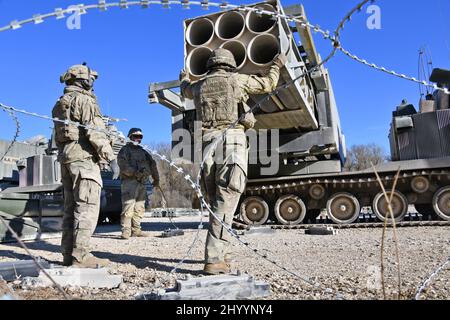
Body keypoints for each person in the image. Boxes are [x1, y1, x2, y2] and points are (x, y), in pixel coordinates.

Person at [180, 48, 287, 275]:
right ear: (229, 65)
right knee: (227, 198)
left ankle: (223, 254)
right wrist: (277, 64)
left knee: (215, 202)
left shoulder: (198, 87)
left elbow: (186, 90)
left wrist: (184, 79)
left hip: (205, 145)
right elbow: (268, 84)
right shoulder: (237, 81)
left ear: (210, 65)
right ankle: (214, 258)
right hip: (231, 143)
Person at [52, 63, 115, 268]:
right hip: (84, 160)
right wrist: (111, 157)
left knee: (70, 209)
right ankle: (81, 257)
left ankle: (68, 255)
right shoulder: (85, 100)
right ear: (83, 80)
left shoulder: (60, 103)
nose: (93, 82)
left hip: (66, 159)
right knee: (86, 207)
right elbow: (95, 133)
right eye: (91, 79)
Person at [117, 128, 160, 239]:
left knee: (139, 207)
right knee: (128, 206)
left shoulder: (144, 152)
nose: (138, 139)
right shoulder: (125, 150)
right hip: (129, 182)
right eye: (136, 136)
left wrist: (156, 179)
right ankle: (126, 231)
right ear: (130, 137)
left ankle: (136, 230)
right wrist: (135, 173)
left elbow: (153, 165)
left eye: (140, 137)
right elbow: (123, 165)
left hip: (142, 182)